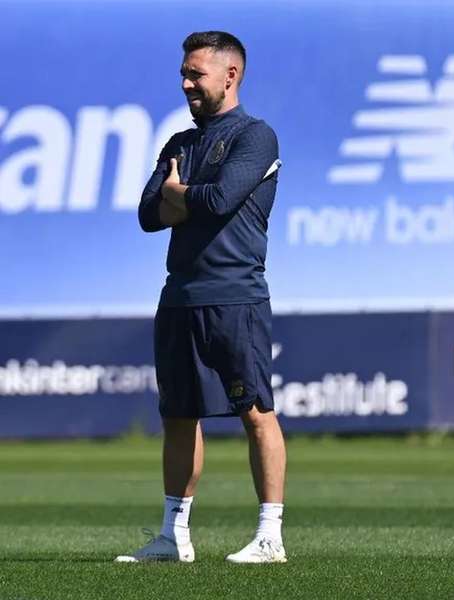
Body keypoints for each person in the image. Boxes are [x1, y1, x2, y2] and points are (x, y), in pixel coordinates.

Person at [117, 31, 286, 564]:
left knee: (256, 413)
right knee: (179, 416)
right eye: (184, 73)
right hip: (179, 297)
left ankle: (270, 537)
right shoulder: (178, 144)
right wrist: (182, 199)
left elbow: (218, 200)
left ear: (230, 75)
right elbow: (148, 215)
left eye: (197, 74)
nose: (186, 82)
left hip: (236, 298)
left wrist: (178, 195)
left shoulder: (256, 137)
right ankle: (173, 538)